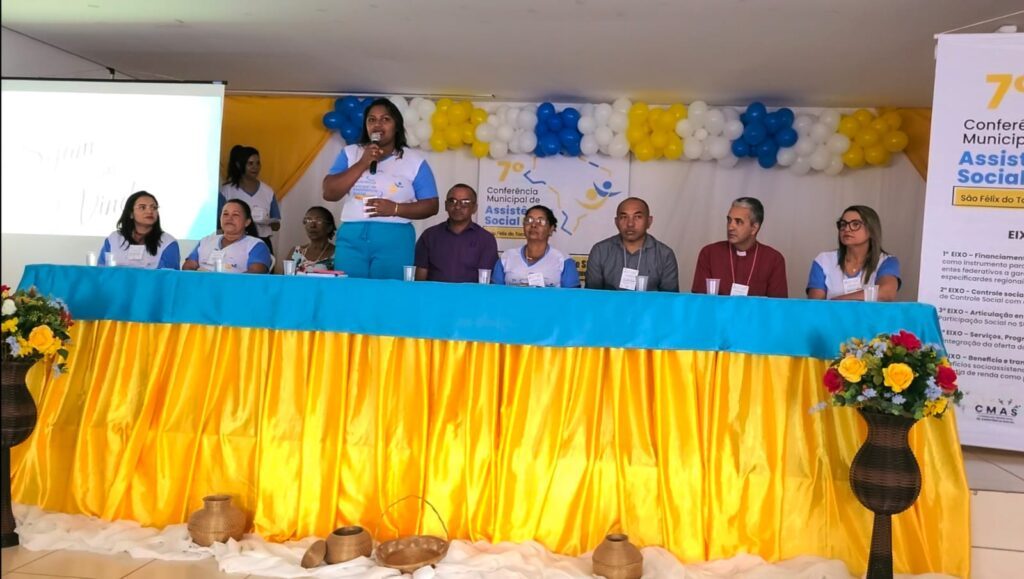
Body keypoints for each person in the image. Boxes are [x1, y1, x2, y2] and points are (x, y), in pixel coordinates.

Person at [322, 97, 439, 279]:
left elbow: (431, 205)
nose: (377, 124)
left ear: (396, 126)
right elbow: (329, 193)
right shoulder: (350, 153)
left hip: (394, 239)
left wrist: (395, 209)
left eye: (385, 119)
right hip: (352, 237)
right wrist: (362, 163)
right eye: (372, 120)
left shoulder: (414, 161)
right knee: (349, 290)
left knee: (388, 292)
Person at [691, 197, 788, 297]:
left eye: (738, 222)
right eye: (729, 220)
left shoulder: (774, 260)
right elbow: (698, 301)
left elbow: (777, 304)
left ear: (754, 228)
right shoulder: (709, 254)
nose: (730, 227)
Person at [807, 205, 901, 301]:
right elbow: (815, 305)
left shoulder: (886, 261)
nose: (846, 229)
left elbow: (886, 293)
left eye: (855, 224)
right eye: (843, 224)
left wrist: (837, 301)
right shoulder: (823, 261)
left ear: (871, 229)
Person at [585, 197, 679, 291]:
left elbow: (670, 298)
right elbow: (592, 296)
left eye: (638, 217)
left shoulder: (664, 255)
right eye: (624, 217)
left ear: (649, 221)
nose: (630, 224)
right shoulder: (600, 251)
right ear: (616, 222)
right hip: (610, 302)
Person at [414, 184, 498, 282]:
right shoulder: (429, 236)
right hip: (435, 292)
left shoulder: (486, 239)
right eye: (452, 201)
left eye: (465, 202)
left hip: (472, 292)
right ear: (446, 205)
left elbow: (486, 281)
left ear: (474, 208)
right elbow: (419, 281)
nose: (457, 206)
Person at [493, 205, 580, 288]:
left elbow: (573, 296)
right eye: (529, 220)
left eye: (540, 221)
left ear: (551, 229)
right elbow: (494, 293)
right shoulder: (507, 257)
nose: (533, 225)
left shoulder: (563, 260)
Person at [219, 145, 281, 254]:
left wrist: (266, 221)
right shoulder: (227, 191)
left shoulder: (268, 191)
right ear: (239, 165)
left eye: (258, 163)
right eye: (250, 164)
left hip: (262, 242)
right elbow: (219, 223)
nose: (255, 167)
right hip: (234, 242)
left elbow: (277, 225)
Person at [183, 199, 271, 274]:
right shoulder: (206, 241)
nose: (229, 218)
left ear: (247, 222)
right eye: (225, 214)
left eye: (235, 215)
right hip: (202, 285)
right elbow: (188, 267)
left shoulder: (255, 245)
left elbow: (254, 275)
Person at [98, 191, 180, 269]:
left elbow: (169, 276)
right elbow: (101, 271)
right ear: (131, 214)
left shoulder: (168, 242)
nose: (150, 211)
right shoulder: (114, 239)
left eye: (154, 207)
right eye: (142, 207)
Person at [289, 206, 337, 273]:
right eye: (308, 220)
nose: (312, 225)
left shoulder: (337, 253)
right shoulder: (296, 252)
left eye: (318, 221)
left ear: (329, 227)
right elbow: (283, 278)